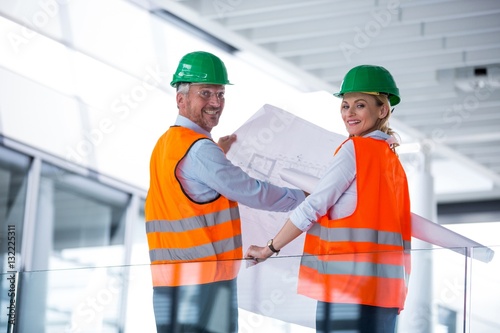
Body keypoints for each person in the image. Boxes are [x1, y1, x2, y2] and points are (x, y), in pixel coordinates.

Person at [144, 51, 306, 333]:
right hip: (205, 283)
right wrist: (305, 198)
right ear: (180, 99)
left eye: (220, 94)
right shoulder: (199, 150)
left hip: (169, 283)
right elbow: (253, 192)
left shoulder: (166, 144)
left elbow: (187, 195)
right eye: (205, 93)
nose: (215, 103)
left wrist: (217, 152)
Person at [245, 65, 411, 333]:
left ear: (382, 110)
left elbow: (313, 207)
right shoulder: (392, 162)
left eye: (360, 105)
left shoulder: (355, 150)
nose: (349, 113)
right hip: (385, 295)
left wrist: (270, 248)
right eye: (345, 106)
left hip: (345, 290)